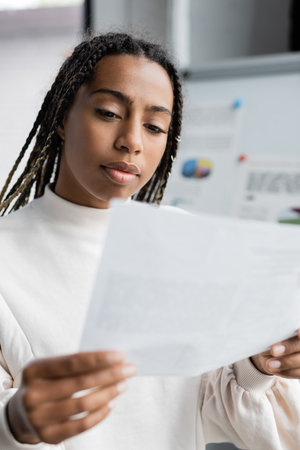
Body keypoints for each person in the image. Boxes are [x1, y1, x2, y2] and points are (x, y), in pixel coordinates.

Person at [0, 32, 299, 450]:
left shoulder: (187, 243)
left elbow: (209, 411)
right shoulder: (6, 258)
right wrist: (14, 422)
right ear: (61, 117)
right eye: (108, 112)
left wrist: (260, 364)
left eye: (155, 126)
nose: (132, 142)